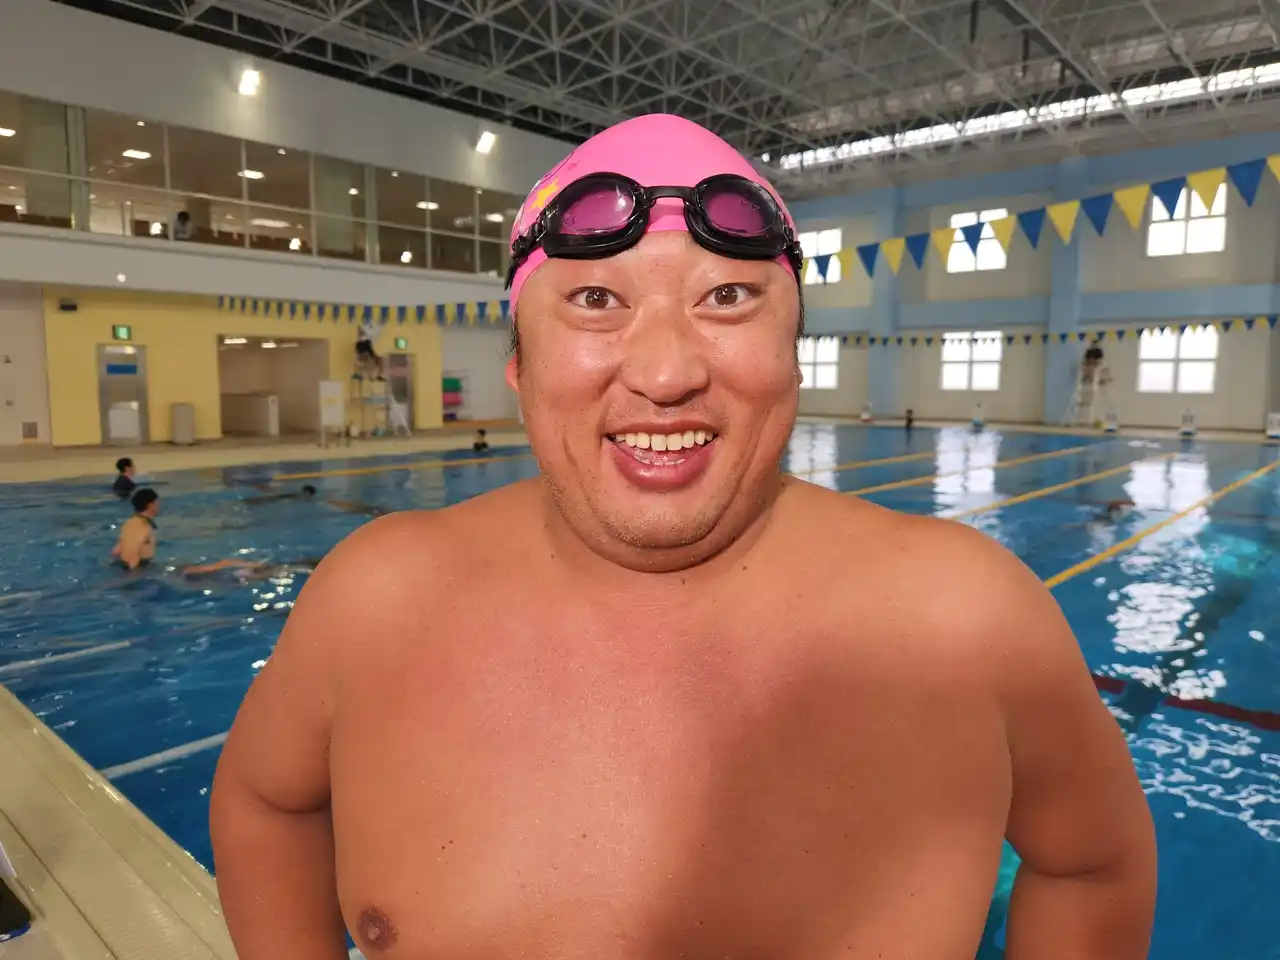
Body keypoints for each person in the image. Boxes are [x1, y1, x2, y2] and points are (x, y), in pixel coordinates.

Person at [211, 115, 1155, 960]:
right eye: (596, 300)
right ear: (520, 365)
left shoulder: (968, 622)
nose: (665, 373)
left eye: (727, 297)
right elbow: (263, 803)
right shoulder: (375, 599)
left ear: (792, 356)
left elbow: (1094, 865)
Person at [111, 488, 158, 571]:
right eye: (157, 503)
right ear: (151, 505)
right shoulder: (142, 526)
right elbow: (132, 552)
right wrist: (133, 574)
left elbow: (116, 551)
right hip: (137, 568)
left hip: (130, 566)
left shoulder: (130, 522)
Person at [242, 484, 317, 506]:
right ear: (308, 492)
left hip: (279, 498)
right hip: (280, 499)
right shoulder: (301, 496)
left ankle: (248, 501)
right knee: (263, 501)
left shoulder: (297, 494)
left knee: (262, 501)